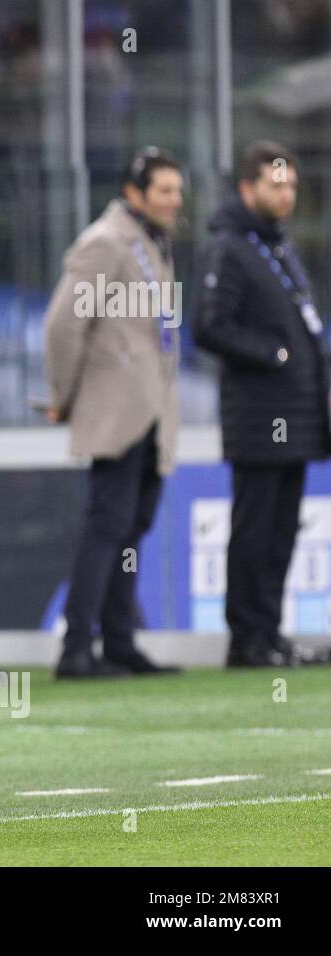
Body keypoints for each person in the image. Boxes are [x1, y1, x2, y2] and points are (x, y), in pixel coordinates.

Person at [44, 147, 183, 678]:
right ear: (134, 193)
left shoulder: (150, 243)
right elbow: (63, 325)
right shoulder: (105, 244)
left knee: (131, 527)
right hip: (116, 409)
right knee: (106, 527)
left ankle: (119, 641)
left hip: (149, 411)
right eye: (165, 191)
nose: (175, 201)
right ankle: (76, 647)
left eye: (177, 190)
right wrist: (64, 395)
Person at [191, 140, 331, 668]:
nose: (287, 194)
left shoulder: (277, 247)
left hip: (298, 418)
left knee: (280, 532)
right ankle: (246, 638)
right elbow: (208, 327)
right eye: (277, 184)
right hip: (259, 419)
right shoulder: (229, 248)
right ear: (248, 188)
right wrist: (276, 354)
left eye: (292, 184)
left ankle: (269, 634)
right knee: (255, 529)